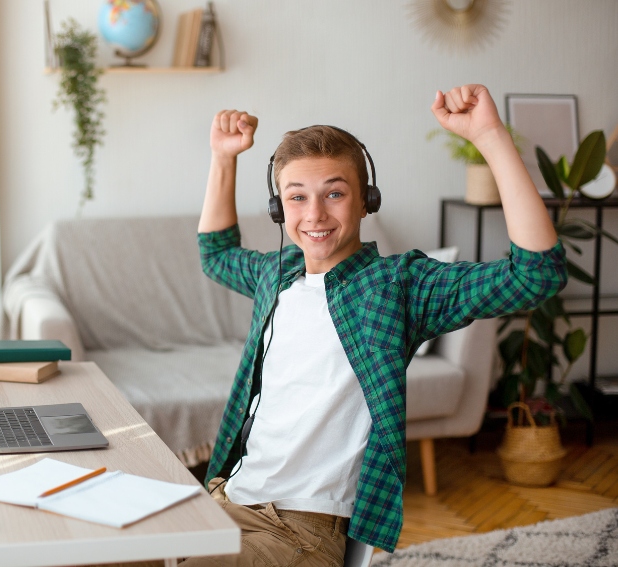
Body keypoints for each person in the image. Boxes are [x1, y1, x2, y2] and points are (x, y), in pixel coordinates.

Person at [183, 85, 567, 566]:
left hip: (300, 529)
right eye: (296, 197)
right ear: (278, 209)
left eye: (334, 193)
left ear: (367, 201)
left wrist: (490, 136)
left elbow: (535, 275)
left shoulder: (398, 285)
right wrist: (223, 158)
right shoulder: (274, 274)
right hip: (226, 498)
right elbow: (216, 254)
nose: (314, 214)